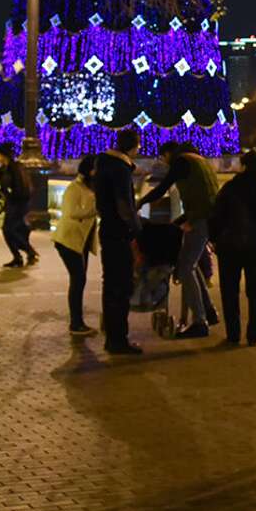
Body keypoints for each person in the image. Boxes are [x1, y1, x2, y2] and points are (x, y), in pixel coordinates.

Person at [137, 142, 223, 338]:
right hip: (210, 217)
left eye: (163, 158)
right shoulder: (200, 161)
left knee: (184, 268)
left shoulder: (181, 161)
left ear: (169, 154)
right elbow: (204, 195)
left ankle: (200, 321)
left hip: (201, 220)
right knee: (192, 265)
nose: (164, 162)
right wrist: (182, 220)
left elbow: (163, 187)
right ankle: (208, 310)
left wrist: (141, 202)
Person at [212, 150, 256, 345]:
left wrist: (216, 241)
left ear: (242, 166)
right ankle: (253, 335)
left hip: (230, 248)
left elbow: (216, 217)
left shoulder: (229, 189)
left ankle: (233, 335)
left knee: (229, 293)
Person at [91, 127, 145, 355]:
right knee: (122, 286)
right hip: (119, 233)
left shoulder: (103, 164)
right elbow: (124, 205)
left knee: (110, 284)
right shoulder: (120, 169)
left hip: (107, 230)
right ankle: (118, 339)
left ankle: (112, 335)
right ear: (133, 146)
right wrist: (137, 228)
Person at [54, 155, 102, 334]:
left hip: (81, 242)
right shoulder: (74, 188)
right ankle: (76, 324)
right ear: (90, 171)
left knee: (79, 281)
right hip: (68, 240)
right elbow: (71, 212)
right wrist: (95, 209)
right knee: (78, 280)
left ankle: (77, 322)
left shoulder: (90, 187)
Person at [0, 142, 38, 269]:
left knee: (8, 230)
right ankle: (20, 255)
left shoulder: (16, 168)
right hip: (11, 203)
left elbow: (22, 188)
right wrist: (0, 195)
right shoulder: (2, 170)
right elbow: (4, 188)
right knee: (11, 230)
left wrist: (11, 195)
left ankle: (26, 252)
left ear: (4, 155)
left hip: (20, 203)